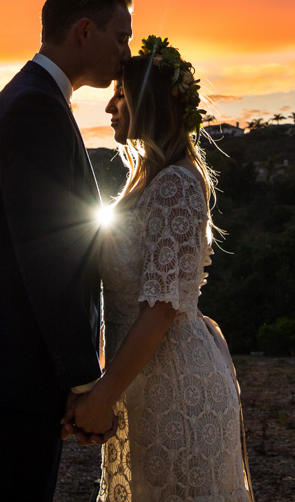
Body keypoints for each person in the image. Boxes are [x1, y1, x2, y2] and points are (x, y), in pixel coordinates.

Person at [0, 0, 134, 502]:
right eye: (121, 37)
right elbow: (48, 257)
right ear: (84, 30)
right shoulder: (34, 107)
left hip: (9, 371)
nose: (127, 53)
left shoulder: (35, 98)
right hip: (12, 372)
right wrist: (83, 382)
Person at [67, 35, 254, 501]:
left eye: (121, 96)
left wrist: (101, 399)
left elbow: (160, 310)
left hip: (176, 385)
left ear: (147, 103)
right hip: (143, 384)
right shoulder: (147, 183)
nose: (110, 107)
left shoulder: (174, 185)